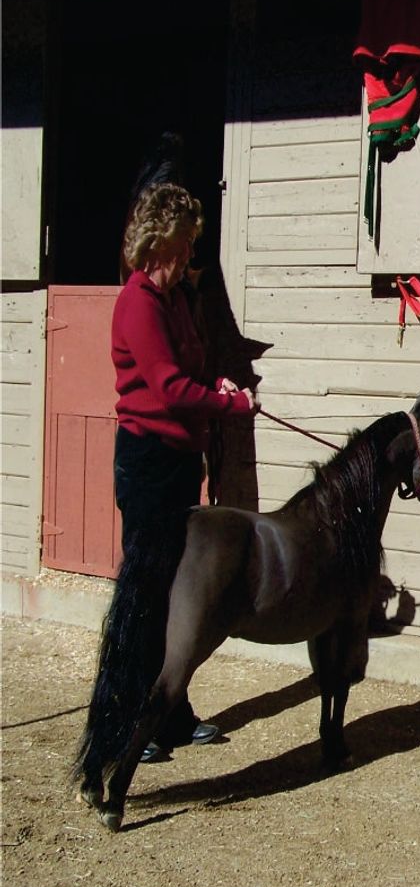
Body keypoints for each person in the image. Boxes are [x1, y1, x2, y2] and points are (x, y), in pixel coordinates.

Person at [112, 182, 258, 762]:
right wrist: (230, 404)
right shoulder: (138, 301)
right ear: (158, 242)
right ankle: (129, 721)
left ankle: (170, 715)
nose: (190, 254)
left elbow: (191, 369)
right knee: (145, 595)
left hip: (178, 461)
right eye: (184, 243)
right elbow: (169, 387)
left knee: (177, 593)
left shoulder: (175, 299)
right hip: (148, 461)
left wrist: (217, 385)